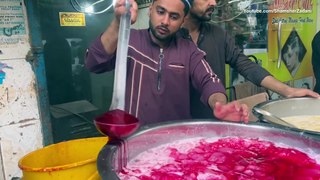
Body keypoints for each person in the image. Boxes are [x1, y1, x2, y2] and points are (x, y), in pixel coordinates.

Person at [85, 0, 249, 125]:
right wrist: (119, 22)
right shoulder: (129, 40)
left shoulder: (189, 50)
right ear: (150, 10)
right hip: (131, 139)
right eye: (160, 12)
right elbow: (94, 62)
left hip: (174, 145)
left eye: (174, 16)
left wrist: (220, 105)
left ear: (183, 20)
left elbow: (209, 81)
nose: (165, 21)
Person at [181, 0, 320, 118]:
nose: (214, 3)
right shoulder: (167, 39)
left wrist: (288, 91)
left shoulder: (218, 34)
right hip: (174, 126)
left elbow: (246, 65)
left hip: (212, 124)